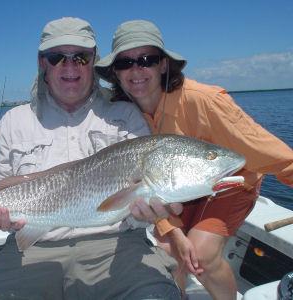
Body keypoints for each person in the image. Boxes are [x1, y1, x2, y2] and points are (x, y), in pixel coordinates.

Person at [0, 17, 182, 300]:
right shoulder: (11, 123)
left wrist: (149, 213)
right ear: (43, 63)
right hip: (27, 253)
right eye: (57, 57)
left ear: (93, 60)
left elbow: (142, 203)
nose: (70, 66)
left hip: (117, 248)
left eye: (80, 57)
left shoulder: (126, 116)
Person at [95, 19, 293, 300]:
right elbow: (144, 187)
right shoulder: (123, 116)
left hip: (229, 183)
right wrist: (175, 234)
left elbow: (273, 155)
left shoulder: (204, 101)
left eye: (146, 60)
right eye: (125, 63)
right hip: (170, 190)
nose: (136, 70)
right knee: (165, 254)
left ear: (163, 65)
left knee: (201, 254)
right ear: (115, 72)